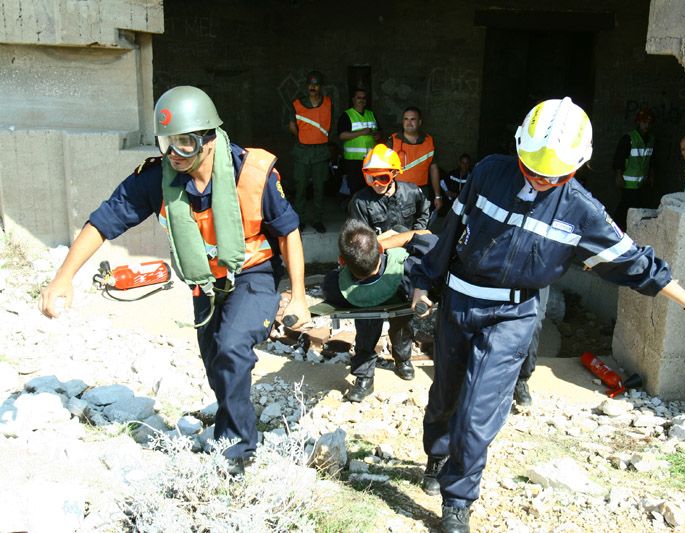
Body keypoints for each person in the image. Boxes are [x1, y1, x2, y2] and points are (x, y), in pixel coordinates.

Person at [410, 97, 685, 532]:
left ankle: (458, 500)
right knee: (445, 396)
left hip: (513, 314)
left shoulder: (581, 210)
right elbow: (451, 229)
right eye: (532, 167)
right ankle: (437, 454)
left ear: (576, 166)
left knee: (479, 410)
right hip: (460, 301)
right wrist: (423, 281)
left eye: (552, 174)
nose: (540, 179)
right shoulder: (488, 173)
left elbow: (634, 261)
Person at [39, 86, 311, 475]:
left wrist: (298, 296)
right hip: (205, 284)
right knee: (217, 364)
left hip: (252, 274)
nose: (174, 154)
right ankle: (233, 422)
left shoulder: (251, 173)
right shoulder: (157, 179)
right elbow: (103, 221)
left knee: (232, 347)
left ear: (209, 139)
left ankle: (237, 452)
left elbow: (288, 232)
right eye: (167, 143)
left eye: (185, 143)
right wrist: (63, 277)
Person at [322, 220, 436, 402]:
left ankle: (366, 377)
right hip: (400, 296)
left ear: (342, 260)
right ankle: (401, 361)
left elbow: (329, 286)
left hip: (365, 308)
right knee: (401, 326)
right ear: (380, 249)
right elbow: (429, 237)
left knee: (366, 334)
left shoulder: (335, 286)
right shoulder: (408, 269)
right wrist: (387, 241)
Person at [348, 144, 430, 235]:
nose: (376, 184)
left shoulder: (412, 192)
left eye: (383, 178)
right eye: (371, 178)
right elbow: (362, 236)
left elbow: (423, 213)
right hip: (378, 243)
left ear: (394, 173)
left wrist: (415, 234)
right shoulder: (360, 202)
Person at [288, 70, 332, 233]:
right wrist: (304, 137)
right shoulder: (297, 104)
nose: (313, 87)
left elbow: (330, 125)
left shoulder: (328, 102)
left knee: (319, 188)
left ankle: (317, 219)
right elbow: (292, 126)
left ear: (320, 86)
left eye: (316, 84)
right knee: (300, 188)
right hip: (302, 151)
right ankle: (299, 220)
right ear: (306, 86)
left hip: (320, 151)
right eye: (310, 84)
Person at [387, 107, 443, 215]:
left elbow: (434, 169)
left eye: (413, 119)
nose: (409, 123)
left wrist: (437, 196)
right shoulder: (392, 140)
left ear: (420, 122)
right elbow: (384, 168)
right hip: (398, 191)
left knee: (420, 222)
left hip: (421, 190)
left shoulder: (429, 141)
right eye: (406, 119)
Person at [612, 107, 655, 230]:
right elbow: (619, 158)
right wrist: (618, 175)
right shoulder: (629, 138)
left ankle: (627, 229)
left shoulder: (651, 139)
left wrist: (651, 175)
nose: (646, 125)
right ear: (638, 122)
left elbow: (651, 159)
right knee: (625, 207)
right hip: (628, 183)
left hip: (641, 183)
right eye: (644, 122)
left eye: (649, 122)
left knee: (635, 207)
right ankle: (616, 229)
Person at [338, 88, 381, 197]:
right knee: (355, 188)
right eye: (359, 98)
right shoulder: (347, 115)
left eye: (364, 98)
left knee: (371, 186)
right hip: (353, 160)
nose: (361, 100)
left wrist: (378, 135)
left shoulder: (371, 114)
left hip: (370, 159)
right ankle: (355, 207)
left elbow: (379, 132)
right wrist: (361, 132)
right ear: (353, 99)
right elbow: (342, 135)